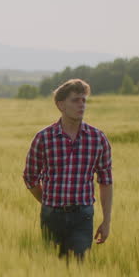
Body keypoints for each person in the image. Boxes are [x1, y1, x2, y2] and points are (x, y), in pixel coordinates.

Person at [22, 78, 114, 260]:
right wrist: (47, 200)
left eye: (84, 100)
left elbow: (106, 181)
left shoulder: (98, 138)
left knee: (77, 268)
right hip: (51, 216)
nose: (81, 105)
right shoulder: (44, 138)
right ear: (61, 105)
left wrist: (106, 221)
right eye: (75, 100)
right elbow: (30, 177)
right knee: (51, 269)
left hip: (83, 216)